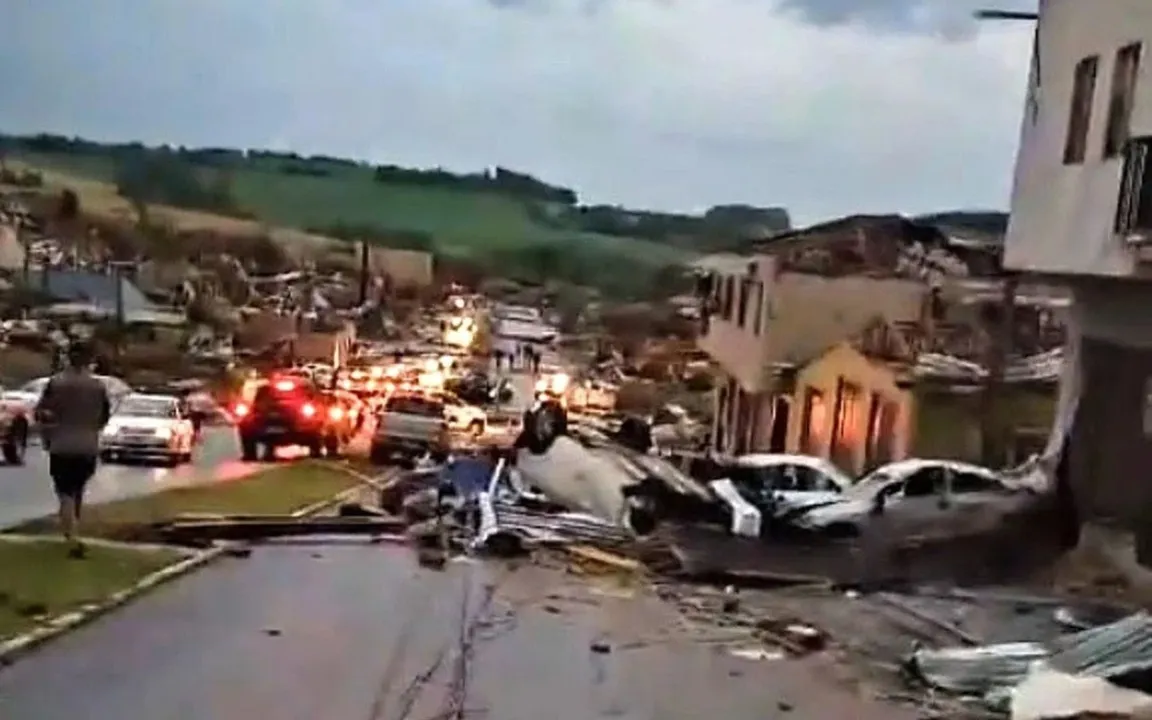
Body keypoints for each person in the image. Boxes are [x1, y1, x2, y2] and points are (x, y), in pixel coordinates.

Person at [34, 342, 111, 558]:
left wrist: (47, 433)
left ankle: (72, 538)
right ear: (89, 360)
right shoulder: (97, 386)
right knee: (77, 488)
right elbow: (104, 417)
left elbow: (41, 413)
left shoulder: (56, 383)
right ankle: (73, 529)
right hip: (87, 447)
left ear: (68, 358)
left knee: (64, 491)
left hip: (61, 445)